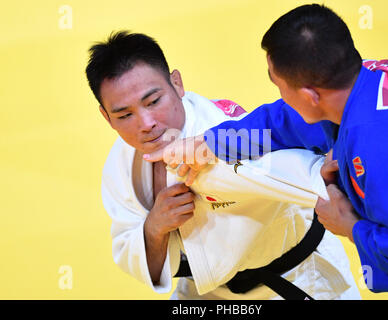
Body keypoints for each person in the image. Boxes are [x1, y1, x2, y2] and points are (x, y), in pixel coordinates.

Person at [145, 5, 388, 299]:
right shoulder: (370, 77)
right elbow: (283, 121)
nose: (280, 95)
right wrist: (211, 143)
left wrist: (349, 225)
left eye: (279, 85)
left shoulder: (380, 147)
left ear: (310, 95)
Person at [85, 31, 362, 300]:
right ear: (106, 117)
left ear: (177, 84)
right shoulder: (121, 163)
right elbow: (128, 244)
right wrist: (155, 227)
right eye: (124, 115)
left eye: (153, 101)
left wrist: (324, 178)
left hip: (300, 278)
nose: (146, 124)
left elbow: (288, 166)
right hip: (207, 290)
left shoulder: (221, 138)